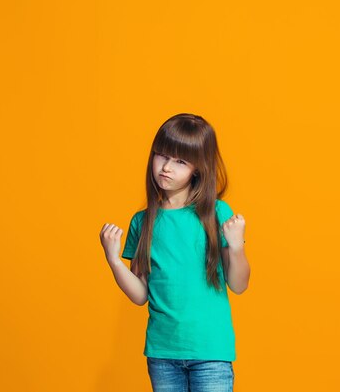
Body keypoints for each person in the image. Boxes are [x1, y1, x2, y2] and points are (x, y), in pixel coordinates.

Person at [99, 113, 250, 392]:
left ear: (198, 168)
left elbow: (239, 285)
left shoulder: (216, 213)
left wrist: (237, 247)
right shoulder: (142, 222)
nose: (166, 167)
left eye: (180, 161)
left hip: (210, 352)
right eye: (161, 155)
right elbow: (140, 295)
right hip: (162, 354)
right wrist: (113, 260)